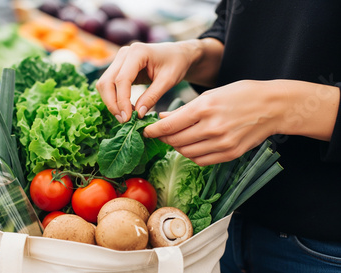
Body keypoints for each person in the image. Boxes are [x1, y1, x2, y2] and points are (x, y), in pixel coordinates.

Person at [96, 1, 341, 272]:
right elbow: (240, 31)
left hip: (323, 251)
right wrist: (193, 55)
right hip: (218, 227)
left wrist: (279, 107)